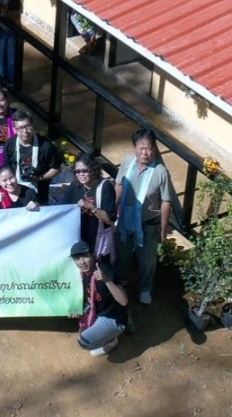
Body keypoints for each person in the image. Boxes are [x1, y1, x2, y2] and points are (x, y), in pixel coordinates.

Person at [116, 129, 175, 306]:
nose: (144, 153)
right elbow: (118, 185)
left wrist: (163, 230)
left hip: (149, 224)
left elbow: (166, 201)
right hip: (125, 221)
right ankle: (122, 282)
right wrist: (112, 210)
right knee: (122, 253)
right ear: (134, 148)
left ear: (154, 149)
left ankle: (145, 289)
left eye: (148, 149)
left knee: (147, 260)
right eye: (141, 148)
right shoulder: (127, 162)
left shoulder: (160, 171)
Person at [71, 241, 129, 356]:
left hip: (113, 318)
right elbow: (88, 298)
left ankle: (111, 340)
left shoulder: (105, 271)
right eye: (77, 258)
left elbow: (124, 301)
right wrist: (77, 310)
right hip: (98, 311)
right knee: (82, 327)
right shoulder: (83, 274)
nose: (81, 261)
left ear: (92, 255)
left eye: (85, 256)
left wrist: (106, 280)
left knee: (84, 342)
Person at [63, 156, 118, 261]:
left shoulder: (105, 186)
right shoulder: (74, 185)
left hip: (98, 238)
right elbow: (63, 208)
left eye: (85, 170)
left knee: (99, 271)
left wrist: (91, 206)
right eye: (77, 171)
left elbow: (109, 219)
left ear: (93, 170)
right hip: (79, 237)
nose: (81, 174)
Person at [9, 111, 60, 204]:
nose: (25, 131)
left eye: (27, 126)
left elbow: (56, 168)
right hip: (16, 190)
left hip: (39, 190)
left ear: (33, 125)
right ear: (14, 130)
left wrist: (40, 178)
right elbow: (7, 167)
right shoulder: (10, 144)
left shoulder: (45, 145)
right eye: (20, 128)